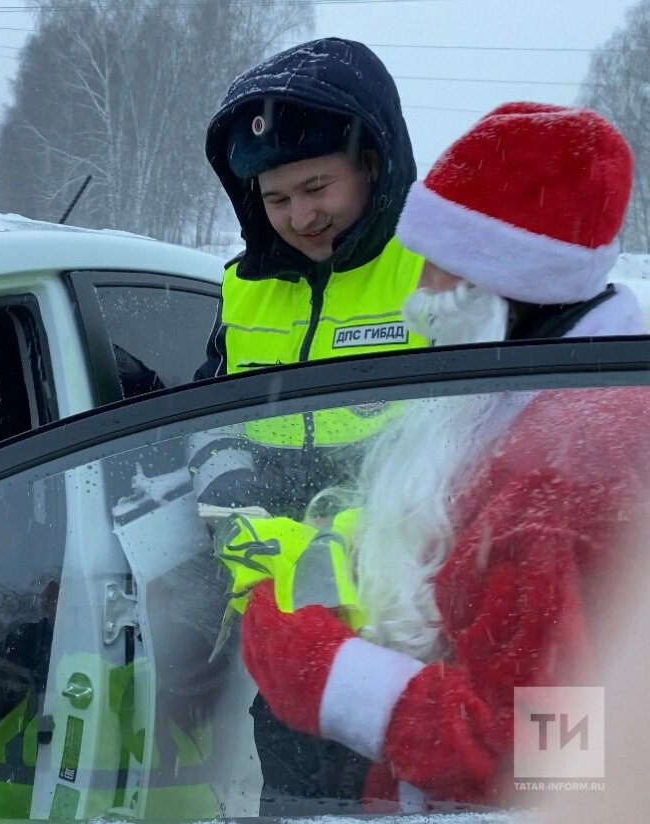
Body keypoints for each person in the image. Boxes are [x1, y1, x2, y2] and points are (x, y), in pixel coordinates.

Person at [235, 102, 649, 811]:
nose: (415, 296)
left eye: (437, 267)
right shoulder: (525, 400)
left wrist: (320, 672)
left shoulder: (570, 469)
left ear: (507, 283)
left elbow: (554, 751)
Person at [190, 37, 428, 521]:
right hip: (264, 572)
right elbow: (211, 422)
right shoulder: (244, 287)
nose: (300, 218)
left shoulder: (435, 274)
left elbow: (473, 444)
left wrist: (346, 544)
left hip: (399, 577)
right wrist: (238, 516)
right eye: (277, 200)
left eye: (316, 188)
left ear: (372, 165)